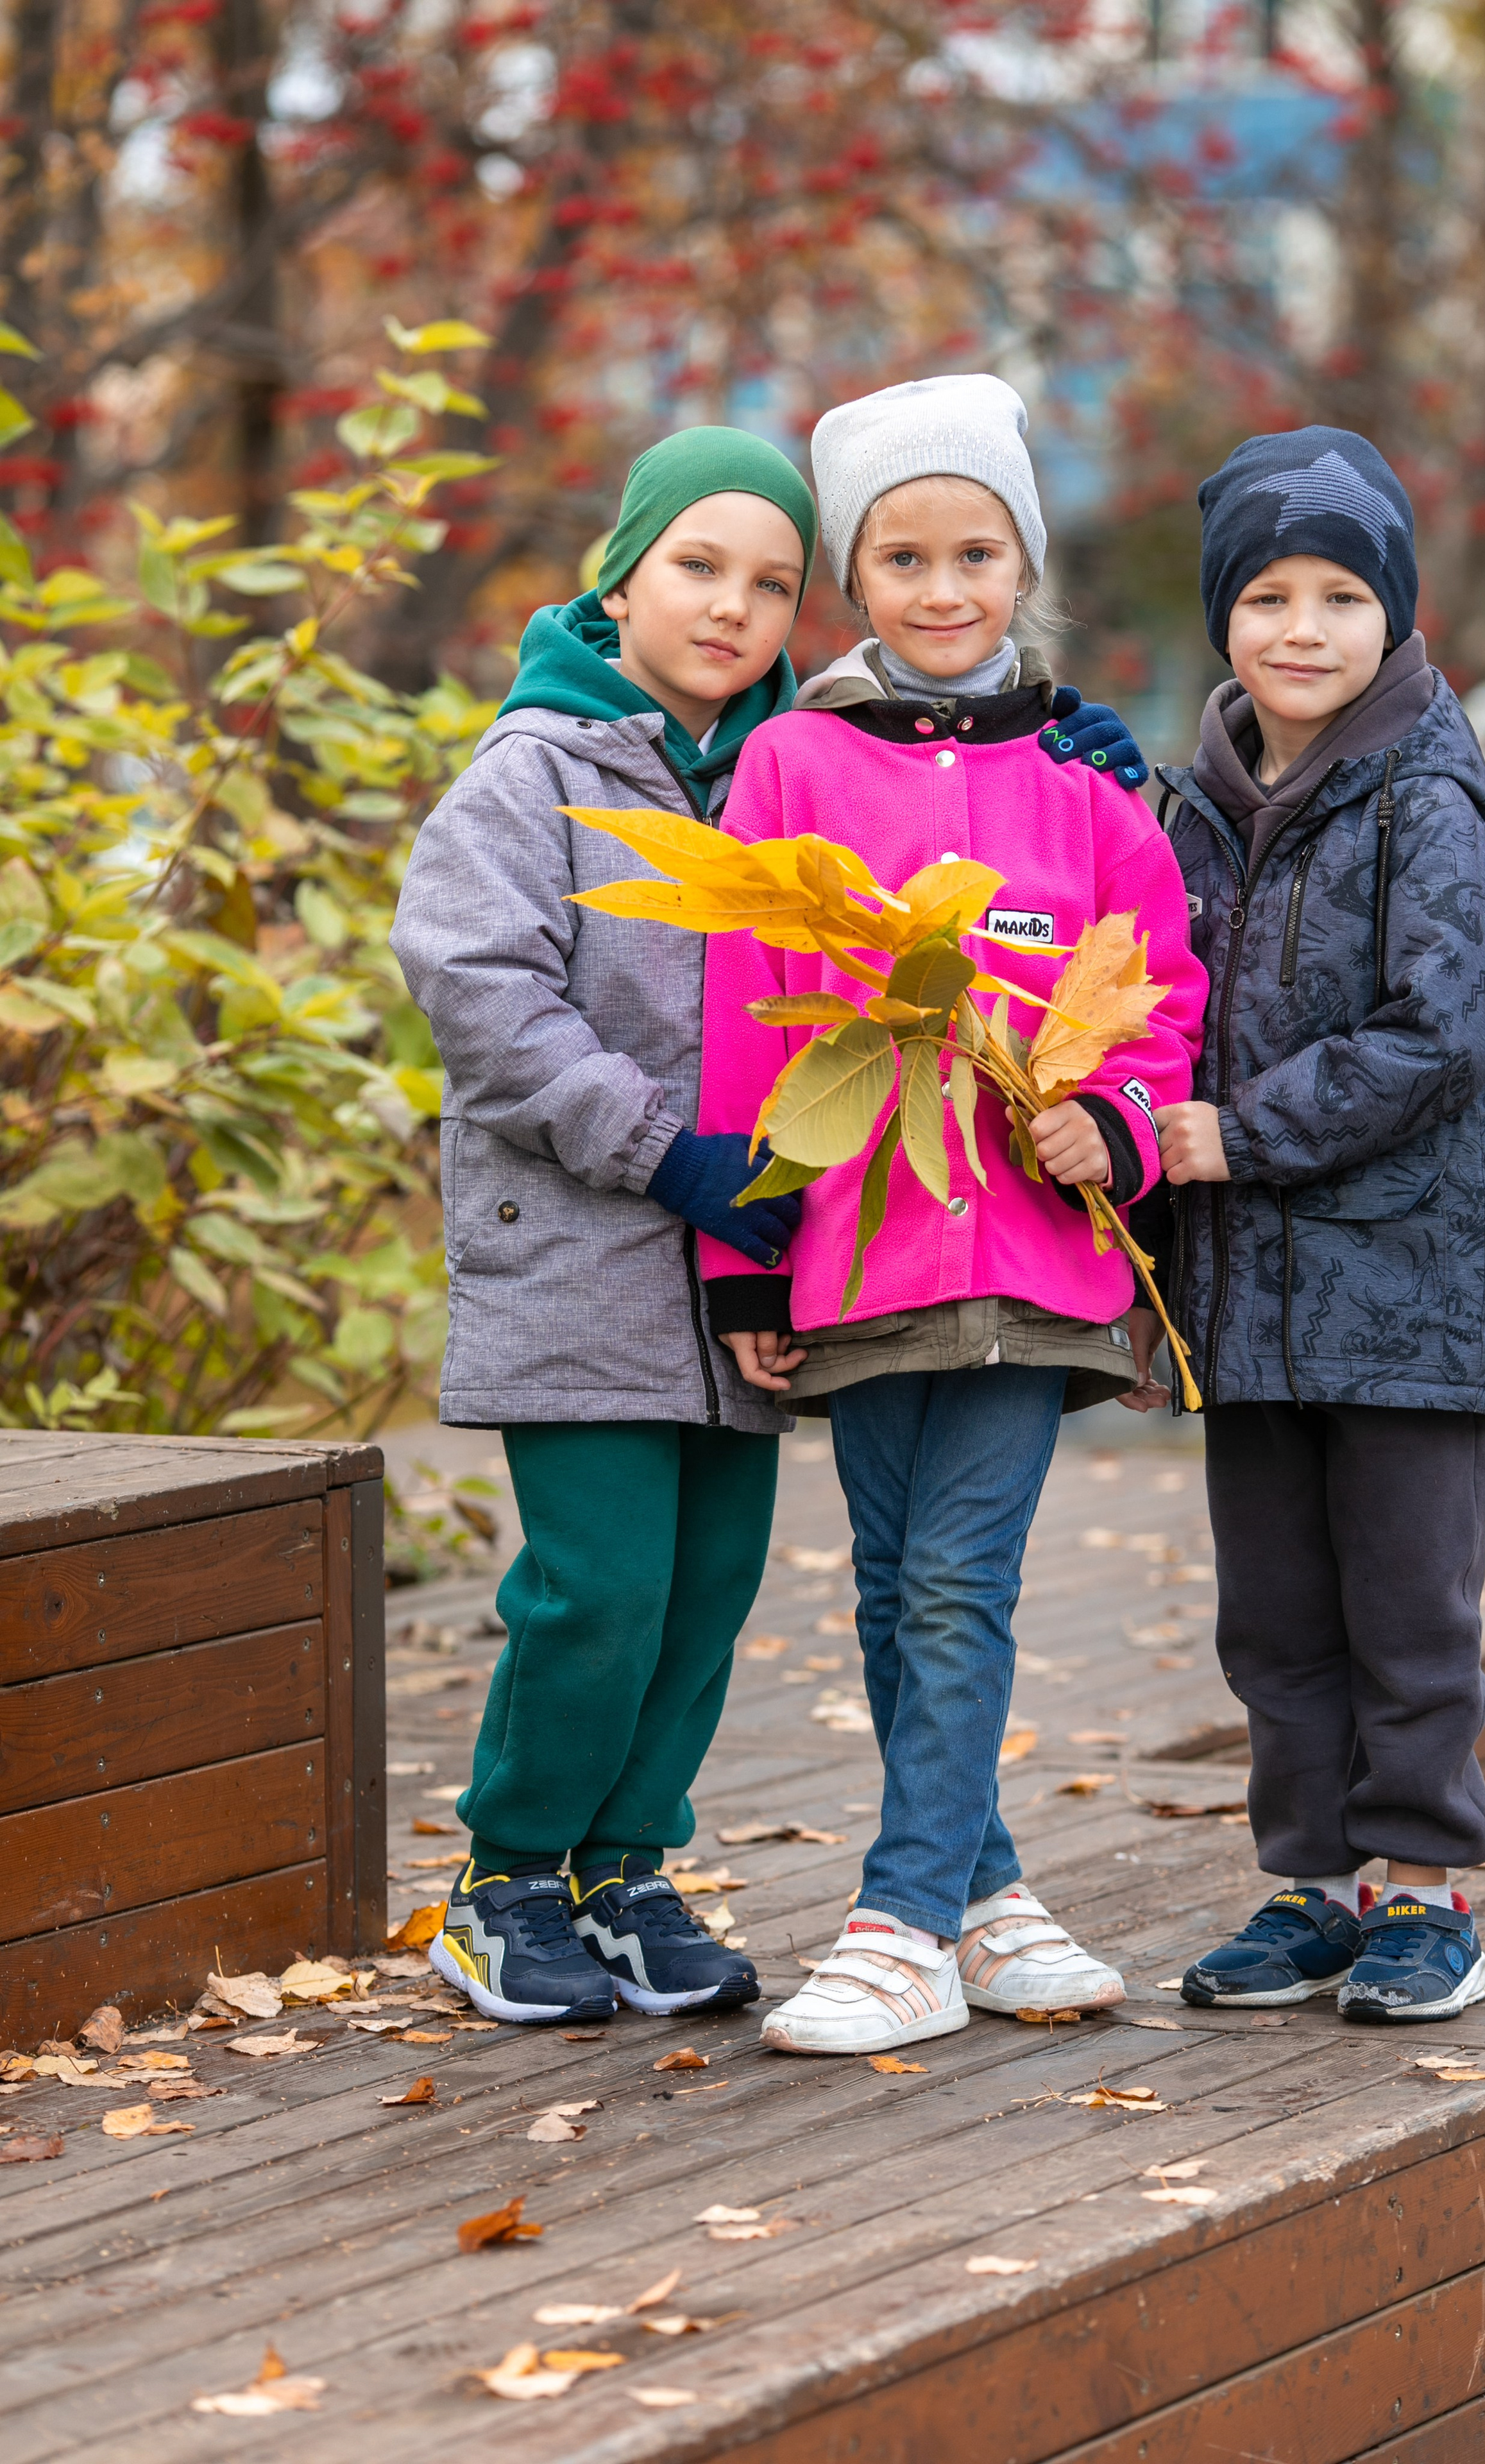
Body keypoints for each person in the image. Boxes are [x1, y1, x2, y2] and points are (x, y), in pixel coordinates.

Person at [694, 373, 1208, 2055]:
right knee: (895, 1574)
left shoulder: (1084, 773)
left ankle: (899, 1919)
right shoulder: (791, 759)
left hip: (1032, 1243)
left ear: (1019, 562)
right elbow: (746, 1015)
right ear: (856, 577)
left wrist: (1118, 1126)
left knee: (958, 1581)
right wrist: (742, 1257)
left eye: (973, 549)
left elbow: (1158, 995)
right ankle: (988, 1899)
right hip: (856, 1229)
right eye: (900, 555)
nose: (939, 587)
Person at [390, 429, 822, 2026]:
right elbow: (479, 993)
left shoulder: (793, 778)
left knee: (708, 1588)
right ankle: (503, 1883)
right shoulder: (535, 771)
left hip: (739, 1263)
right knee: (595, 1588)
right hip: (575, 1247)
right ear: (622, 575)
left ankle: (625, 1870)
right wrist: (660, 1144)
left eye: (771, 583)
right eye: (698, 566)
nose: (731, 607)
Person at [1123, 425, 1485, 2023]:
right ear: (1222, 618)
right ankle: (1308, 1887)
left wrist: (1239, 1135)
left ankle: (1422, 1892)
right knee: (1275, 1619)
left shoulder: (1422, 801)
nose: (1304, 629)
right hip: (1242, 1300)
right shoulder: (1193, 807)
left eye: (1342, 597)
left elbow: (1450, 1029)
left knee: (1406, 1613)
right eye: (1269, 596)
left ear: (1395, 617)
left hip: (1404, 1299)